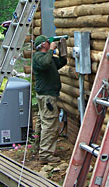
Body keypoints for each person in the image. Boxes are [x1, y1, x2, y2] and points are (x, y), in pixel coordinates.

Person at [32, 35, 67, 164]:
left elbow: (62, 62)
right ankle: (46, 155)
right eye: (48, 42)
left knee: (43, 122)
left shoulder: (48, 58)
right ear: (43, 45)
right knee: (50, 125)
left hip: (48, 96)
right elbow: (46, 63)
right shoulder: (39, 57)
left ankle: (38, 148)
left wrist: (63, 47)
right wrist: (52, 49)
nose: (49, 42)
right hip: (46, 97)